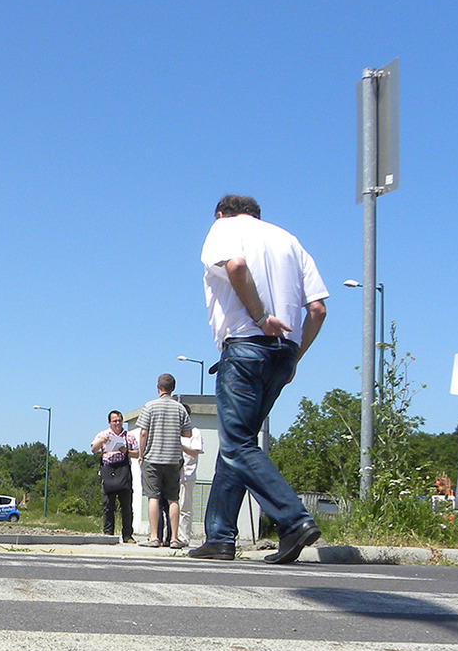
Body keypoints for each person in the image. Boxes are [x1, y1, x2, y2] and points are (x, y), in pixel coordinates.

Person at [190, 195, 329, 564]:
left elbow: (235, 266)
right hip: (283, 355)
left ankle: (294, 520)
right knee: (238, 443)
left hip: (246, 347)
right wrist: (295, 356)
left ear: (222, 213)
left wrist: (262, 317)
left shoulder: (224, 227)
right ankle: (220, 536)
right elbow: (317, 309)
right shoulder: (289, 240)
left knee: (237, 444)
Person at [135, 374, 188, 548]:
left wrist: (141, 454)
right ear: (173, 388)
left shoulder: (150, 406)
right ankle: (174, 538)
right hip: (172, 459)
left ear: (158, 386)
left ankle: (154, 537)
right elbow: (187, 433)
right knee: (173, 499)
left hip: (152, 458)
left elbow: (143, 432)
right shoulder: (180, 408)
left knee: (153, 497)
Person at [91, 410, 138, 541]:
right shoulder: (103, 434)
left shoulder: (129, 436)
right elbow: (93, 449)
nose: (117, 423)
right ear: (109, 422)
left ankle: (127, 535)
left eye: (119, 420)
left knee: (126, 506)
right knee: (108, 505)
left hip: (124, 471)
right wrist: (102, 441)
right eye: (114, 421)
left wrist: (126, 451)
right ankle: (108, 534)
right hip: (108, 470)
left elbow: (138, 453)